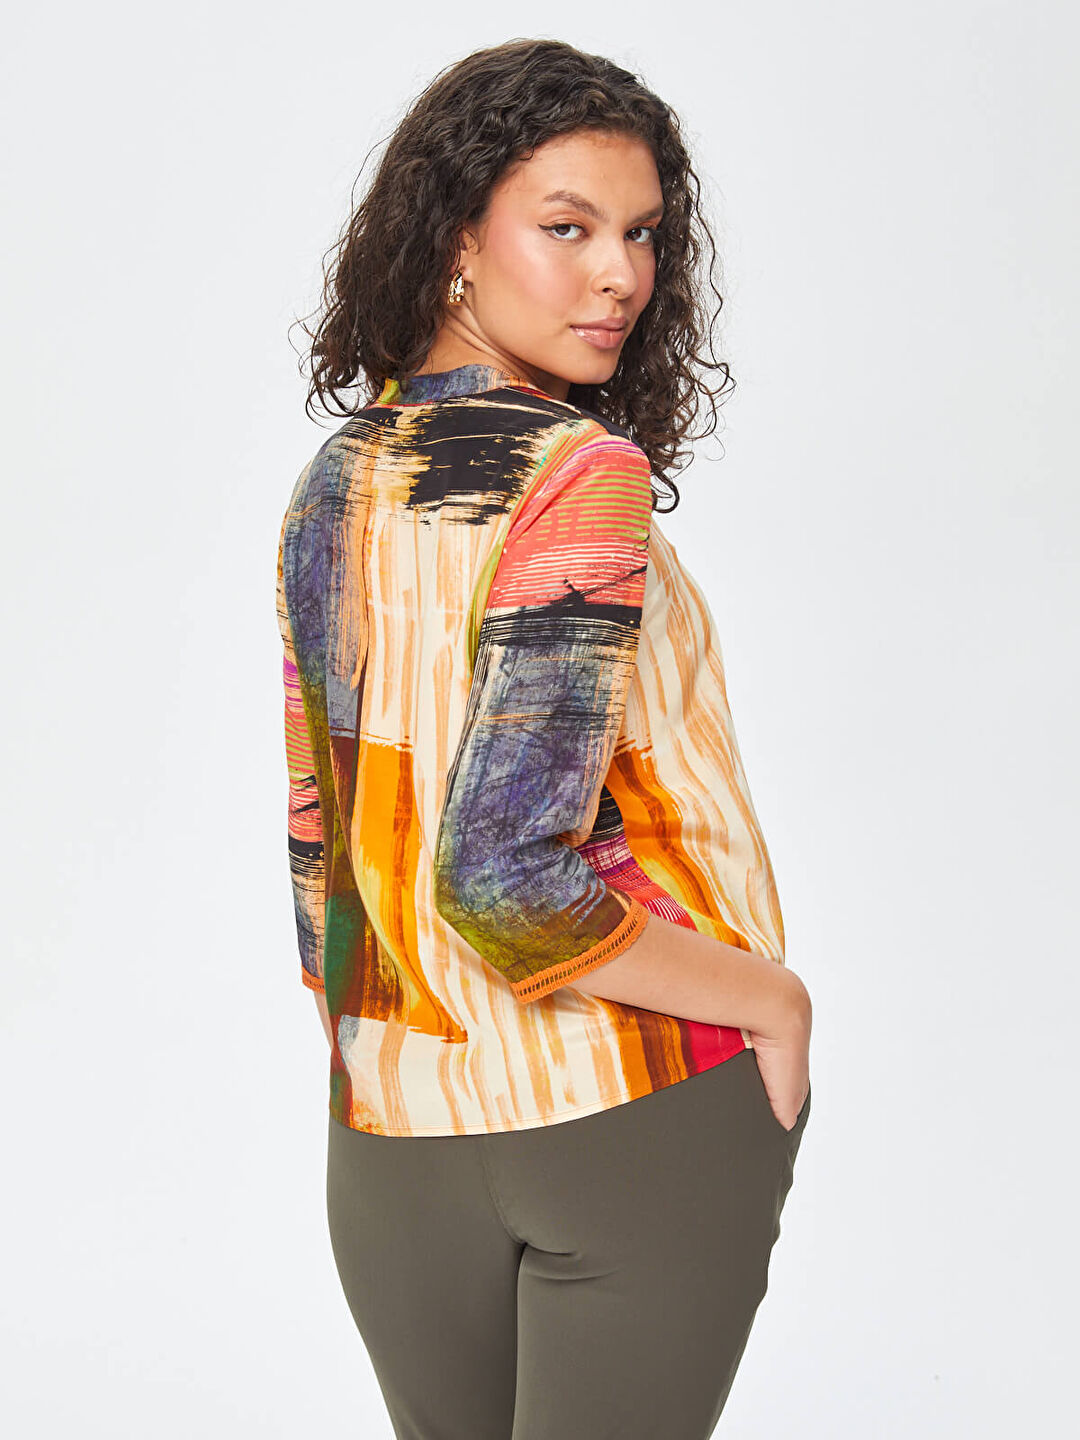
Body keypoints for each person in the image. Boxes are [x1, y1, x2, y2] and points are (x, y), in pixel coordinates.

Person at [276, 37, 813, 1440]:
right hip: (629, 1097)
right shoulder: (582, 472)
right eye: (567, 228)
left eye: (641, 233)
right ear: (457, 240)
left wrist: (381, 1070)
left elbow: (321, 847)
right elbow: (505, 877)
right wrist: (773, 1000)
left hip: (394, 1132)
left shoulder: (338, 476)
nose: (620, 275)